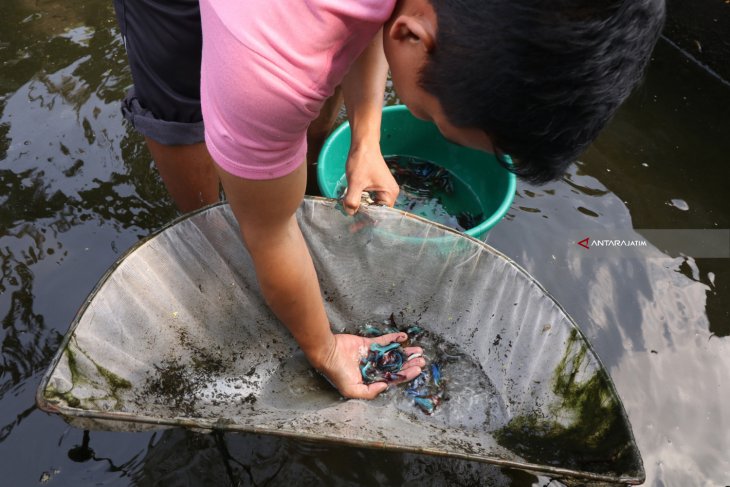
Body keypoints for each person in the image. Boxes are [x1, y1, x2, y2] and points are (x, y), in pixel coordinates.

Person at [115, 0, 665, 399]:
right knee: (186, 116)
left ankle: (265, 173)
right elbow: (271, 232)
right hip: (225, 29)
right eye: (438, 119)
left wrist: (367, 137)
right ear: (415, 37)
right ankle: (207, 230)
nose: (434, 127)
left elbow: (376, 21)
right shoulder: (269, 76)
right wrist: (325, 348)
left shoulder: (411, 22)